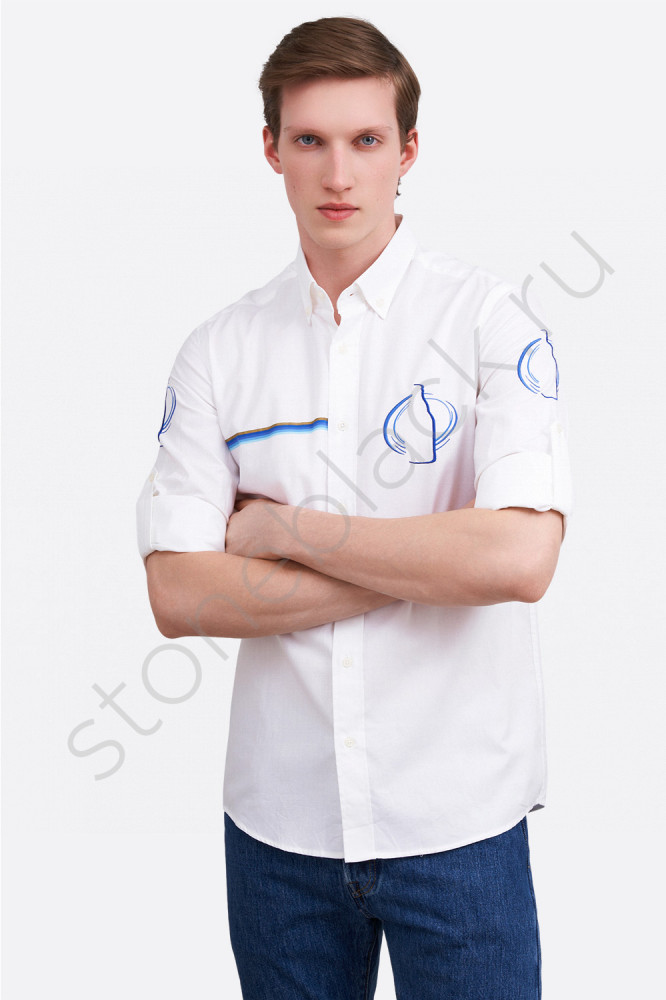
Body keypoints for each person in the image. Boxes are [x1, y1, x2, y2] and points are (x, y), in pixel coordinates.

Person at [136, 16, 572, 999]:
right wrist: (430, 567)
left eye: (367, 140)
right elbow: (178, 594)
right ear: (271, 149)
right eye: (311, 140)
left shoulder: (491, 322)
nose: (339, 174)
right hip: (278, 832)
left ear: (408, 151)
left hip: (459, 824)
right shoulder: (219, 352)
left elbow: (517, 562)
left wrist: (281, 531)